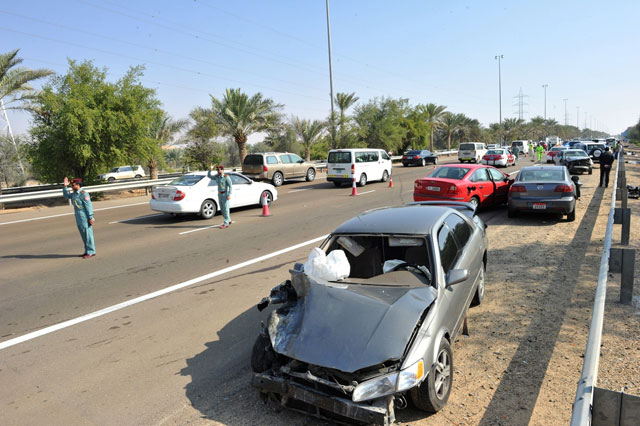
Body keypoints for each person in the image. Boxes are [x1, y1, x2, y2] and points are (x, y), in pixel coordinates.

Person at [62, 177, 96, 258]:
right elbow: (66, 196)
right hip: (78, 217)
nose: (72, 187)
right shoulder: (74, 194)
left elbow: (88, 206)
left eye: (73, 185)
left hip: (85, 217)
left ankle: (91, 251)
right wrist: (65, 187)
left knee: (88, 235)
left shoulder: (84, 194)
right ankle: (87, 251)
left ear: (78, 185)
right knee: (83, 235)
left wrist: (91, 217)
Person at [208, 164, 233, 228]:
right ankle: (229, 220)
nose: (218, 171)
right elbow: (209, 176)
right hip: (219, 194)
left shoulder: (226, 177)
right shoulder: (217, 177)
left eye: (219, 170)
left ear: (222, 170)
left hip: (225, 194)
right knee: (222, 209)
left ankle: (226, 223)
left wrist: (229, 194)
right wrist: (210, 169)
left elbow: (230, 186)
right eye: (217, 170)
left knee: (226, 209)